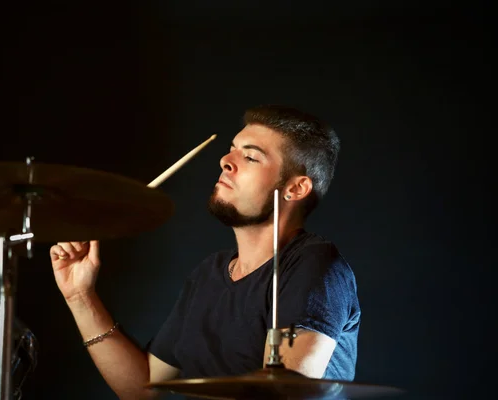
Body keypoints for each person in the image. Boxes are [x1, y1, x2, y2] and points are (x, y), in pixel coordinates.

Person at [50, 105, 361, 399]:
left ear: (295, 189)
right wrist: (80, 296)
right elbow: (142, 388)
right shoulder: (209, 274)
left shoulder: (315, 265)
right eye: (233, 148)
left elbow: (289, 392)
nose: (226, 160)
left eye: (250, 157)